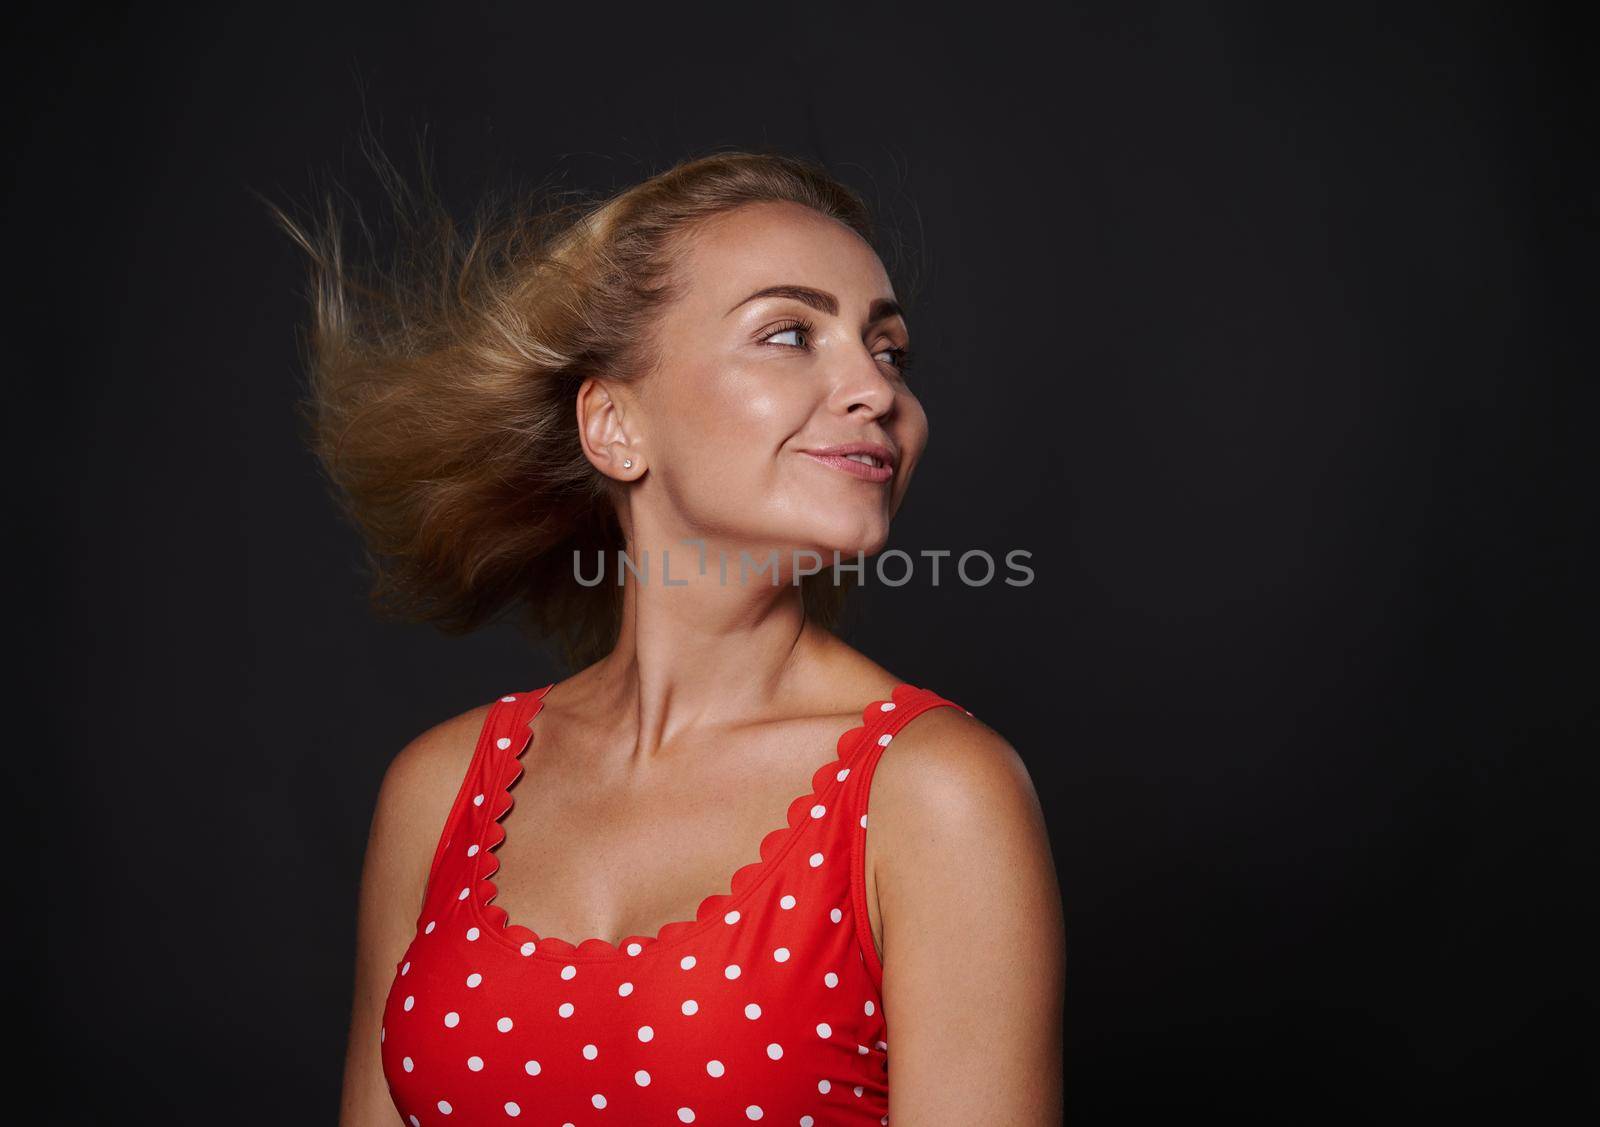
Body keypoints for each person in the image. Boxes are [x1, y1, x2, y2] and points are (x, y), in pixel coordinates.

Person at [275, 149, 1065, 1125]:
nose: (877, 390)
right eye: (789, 333)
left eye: (890, 349)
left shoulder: (933, 793)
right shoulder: (440, 787)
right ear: (613, 425)